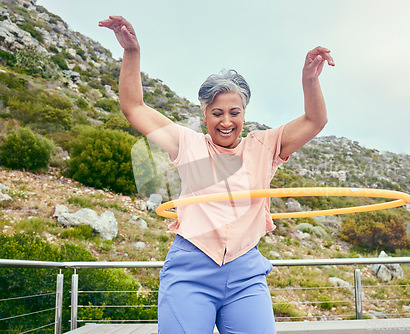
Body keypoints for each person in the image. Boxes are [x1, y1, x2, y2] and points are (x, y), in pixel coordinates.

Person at [99, 15, 334, 334]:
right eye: (217, 113)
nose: (226, 121)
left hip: (245, 273)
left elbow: (314, 120)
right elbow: (134, 108)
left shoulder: (264, 146)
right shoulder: (187, 143)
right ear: (204, 114)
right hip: (190, 271)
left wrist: (309, 79)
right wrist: (131, 53)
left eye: (234, 113)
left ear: (245, 113)